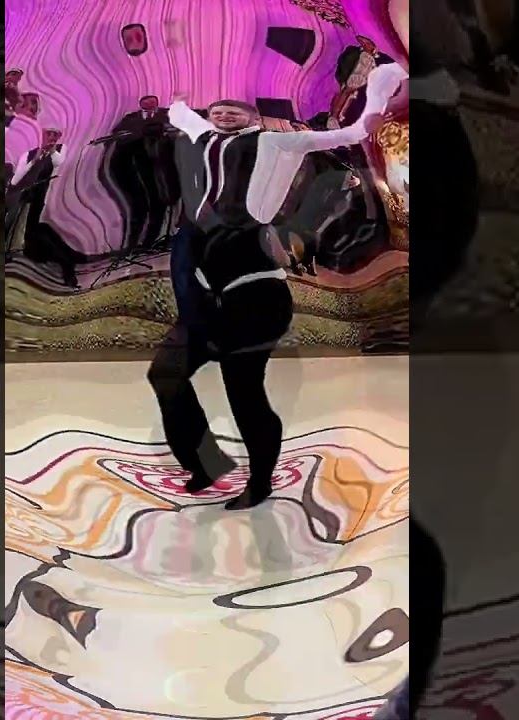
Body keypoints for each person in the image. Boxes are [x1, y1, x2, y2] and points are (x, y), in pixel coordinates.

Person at [147, 63, 407, 511]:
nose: (224, 113)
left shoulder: (276, 141)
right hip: (209, 298)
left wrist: (375, 102)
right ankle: (206, 462)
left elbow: (345, 135)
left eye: (235, 109)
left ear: (253, 116)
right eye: (218, 109)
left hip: (255, 297)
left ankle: (261, 481)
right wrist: (178, 95)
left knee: (244, 392)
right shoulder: (204, 138)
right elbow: (181, 115)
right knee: (166, 374)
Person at [8, 128, 86, 287]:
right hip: (22, 201)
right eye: (48, 134)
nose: (51, 137)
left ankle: (69, 264)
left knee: (39, 231)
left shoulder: (60, 150)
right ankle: (69, 260)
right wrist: (34, 160)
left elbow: (59, 163)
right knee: (36, 235)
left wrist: (50, 151)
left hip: (41, 201)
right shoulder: (29, 154)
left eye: (55, 134)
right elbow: (15, 181)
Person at [110, 95, 177, 246]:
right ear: (141, 104)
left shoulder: (168, 115)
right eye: (147, 103)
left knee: (160, 205)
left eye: (153, 103)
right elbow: (118, 134)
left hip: (162, 170)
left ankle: (151, 241)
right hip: (137, 169)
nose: (151, 105)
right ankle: (133, 244)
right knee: (139, 207)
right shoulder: (131, 119)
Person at [329, 35, 396, 128]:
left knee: (352, 94)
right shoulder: (354, 53)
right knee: (348, 91)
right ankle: (334, 118)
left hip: (365, 85)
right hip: (354, 81)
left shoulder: (382, 59)